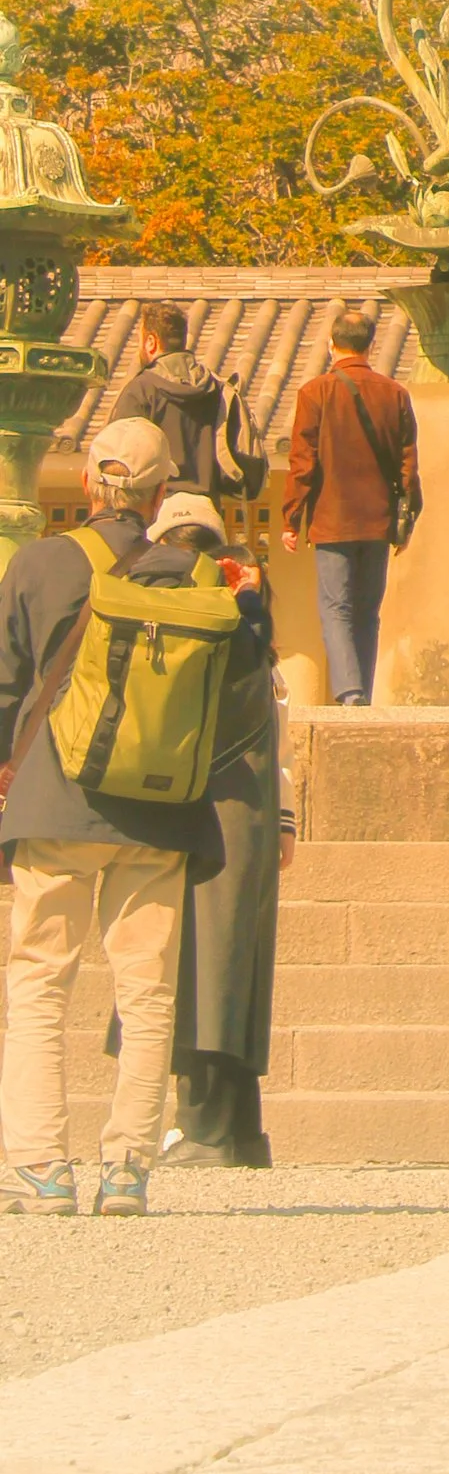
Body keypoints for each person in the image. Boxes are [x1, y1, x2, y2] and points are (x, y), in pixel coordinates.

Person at [0, 422, 230, 1217]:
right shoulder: (198, 574)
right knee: (147, 990)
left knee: (38, 984)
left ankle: (40, 1167)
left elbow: (4, 690)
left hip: (54, 801)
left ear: (92, 485)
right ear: (164, 493)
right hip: (161, 809)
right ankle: (129, 1166)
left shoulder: (36, 563)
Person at [148, 488, 289, 1169]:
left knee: (203, 966)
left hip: (202, 810)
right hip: (248, 811)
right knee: (235, 966)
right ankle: (238, 1129)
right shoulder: (245, 615)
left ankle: (206, 1128)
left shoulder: (193, 618)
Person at [284, 302, 420, 706]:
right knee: (366, 611)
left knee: (336, 607)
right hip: (377, 522)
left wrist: (292, 517)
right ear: (370, 346)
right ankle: (361, 687)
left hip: (331, 518)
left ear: (332, 344)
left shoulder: (315, 393)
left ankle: (349, 691)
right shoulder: (395, 394)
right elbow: (408, 464)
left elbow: (303, 461)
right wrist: (407, 521)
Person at [122, 303, 225, 499]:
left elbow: (121, 458)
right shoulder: (215, 388)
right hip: (208, 509)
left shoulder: (142, 390)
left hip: (161, 509)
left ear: (151, 342)